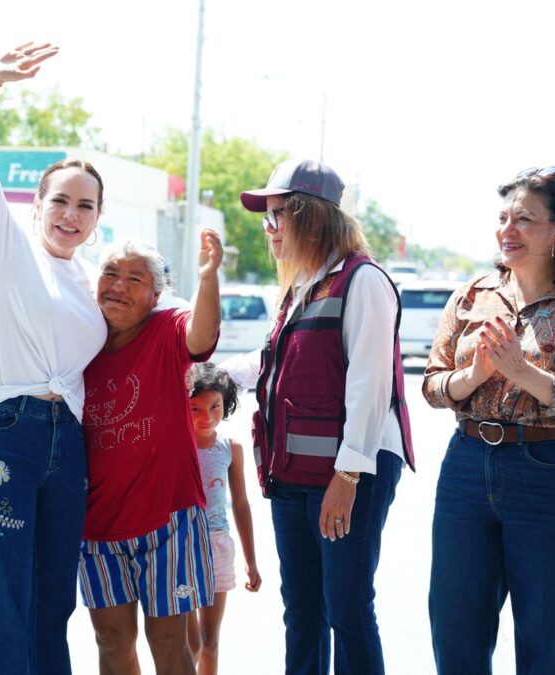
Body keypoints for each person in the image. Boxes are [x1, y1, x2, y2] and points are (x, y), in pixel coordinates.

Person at [0, 234, 225, 675]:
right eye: (109, 273)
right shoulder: (79, 343)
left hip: (170, 518)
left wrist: (208, 278)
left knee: (167, 640)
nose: (118, 286)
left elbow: (200, 336)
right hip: (99, 525)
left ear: (155, 294)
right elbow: (24, 364)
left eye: (135, 279)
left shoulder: (166, 330)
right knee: (110, 640)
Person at [222, 159, 414, 675]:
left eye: (276, 214)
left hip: (350, 474)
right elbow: (270, 361)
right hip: (292, 475)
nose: (270, 230)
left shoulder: (364, 280)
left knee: (346, 609)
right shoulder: (299, 287)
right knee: (302, 610)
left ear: (310, 215)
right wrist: (206, 373)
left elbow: (371, 385)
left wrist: (347, 475)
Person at [0, 42, 108, 675]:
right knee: (4, 604)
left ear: (97, 217)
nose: (70, 215)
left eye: (85, 205)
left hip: (67, 447)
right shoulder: (7, 247)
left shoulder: (95, 283)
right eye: (60, 201)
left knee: (52, 608)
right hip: (6, 435)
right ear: (36, 204)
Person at [423, 167, 555, 675]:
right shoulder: (472, 294)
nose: (508, 230)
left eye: (524, 219)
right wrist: (474, 374)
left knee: (546, 646)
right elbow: (433, 385)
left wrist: (525, 374)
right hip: (467, 466)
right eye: (503, 218)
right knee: (455, 637)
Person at [184, 362, 261, 675]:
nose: (207, 417)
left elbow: (240, 504)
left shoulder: (231, 448)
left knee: (210, 641)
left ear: (225, 403)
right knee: (190, 643)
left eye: (214, 406)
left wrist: (251, 561)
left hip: (218, 548)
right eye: (195, 409)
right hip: (182, 549)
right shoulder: (177, 446)